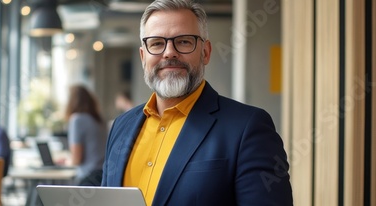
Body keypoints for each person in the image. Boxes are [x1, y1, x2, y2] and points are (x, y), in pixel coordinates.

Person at [101, 0, 293, 206]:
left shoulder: (248, 127)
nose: (169, 52)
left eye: (183, 41)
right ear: (142, 56)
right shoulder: (121, 127)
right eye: (156, 43)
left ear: (206, 52)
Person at [64, 85, 107, 186]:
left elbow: (77, 159)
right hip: (102, 175)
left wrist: (66, 162)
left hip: (87, 178)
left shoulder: (77, 120)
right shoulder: (99, 120)